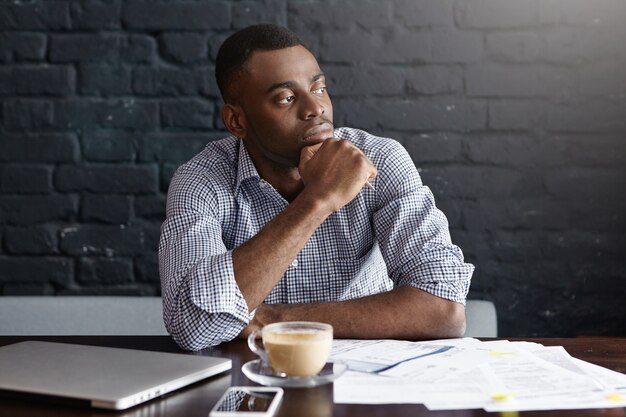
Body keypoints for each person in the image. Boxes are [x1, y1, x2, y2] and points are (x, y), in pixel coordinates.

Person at [159, 24, 474, 351]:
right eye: (286, 98)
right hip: (253, 383)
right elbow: (192, 325)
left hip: (367, 383)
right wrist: (318, 200)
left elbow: (444, 311)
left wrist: (272, 319)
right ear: (237, 121)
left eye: (319, 88)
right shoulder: (202, 180)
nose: (315, 108)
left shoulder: (380, 159)